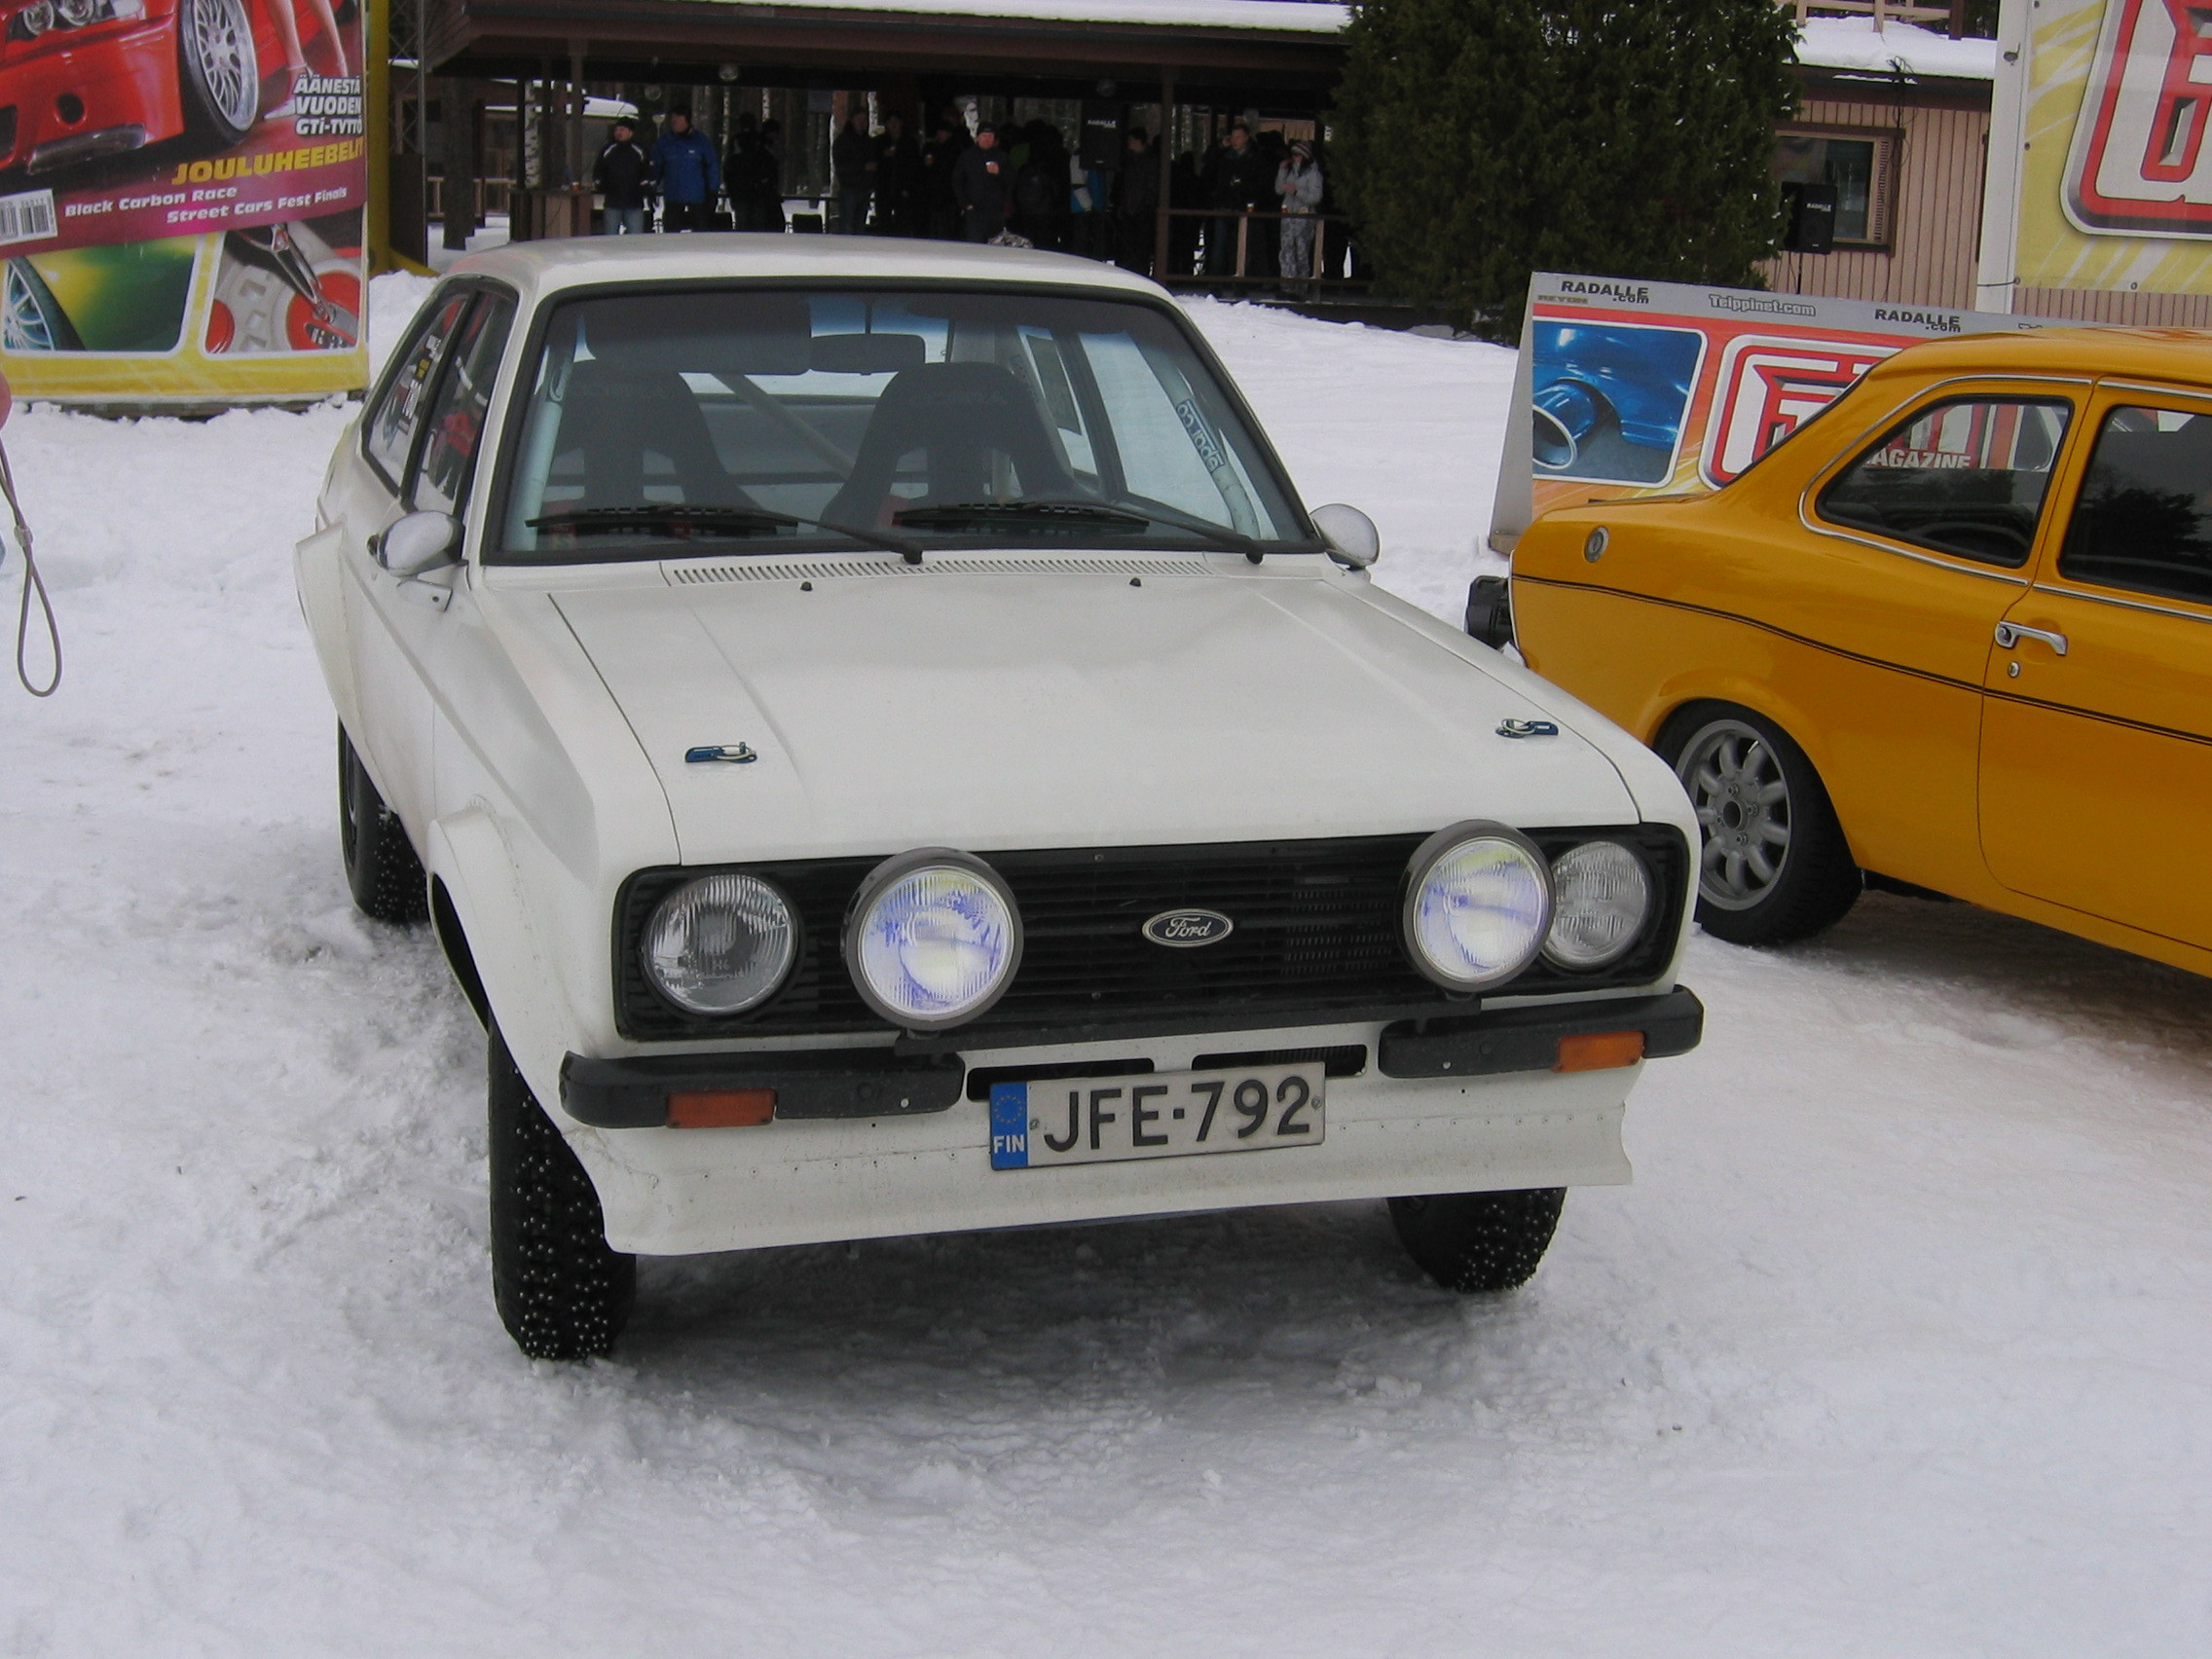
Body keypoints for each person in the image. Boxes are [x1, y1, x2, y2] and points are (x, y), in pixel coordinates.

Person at [1201, 120, 1271, 276]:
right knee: (1219, 245)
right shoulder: (1224, 156)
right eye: (1233, 137)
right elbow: (1208, 166)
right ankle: (1216, 281)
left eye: (1238, 137)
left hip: (1244, 207)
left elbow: (1261, 184)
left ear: (1246, 138)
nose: (1234, 140)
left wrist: (1242, 187)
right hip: (1224, 205)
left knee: (1242, 247)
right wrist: (1220, 148)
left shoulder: (1255, 158)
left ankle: (1239, 281)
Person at [652, 111, 719, 232]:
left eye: (677, 121)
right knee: (671, 233)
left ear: (687, 122)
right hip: (673, 196)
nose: (674, 124)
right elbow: (656, 166)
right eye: (672, 121)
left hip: (697, 197)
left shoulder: (701, 141)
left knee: (700, 233)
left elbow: (712, 166)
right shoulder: (665, 142)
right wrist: (652, 185)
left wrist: (713, 190)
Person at [1013, 120, 1069, 251]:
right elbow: (1062, 184)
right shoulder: (1060, 155)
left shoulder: (1027, 153)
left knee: (1029, 239)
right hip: (1049, 206)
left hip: (1028, 206)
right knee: (1047, 241)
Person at [1275, 138, 1324, 281]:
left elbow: (1315, 196)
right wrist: (1282, 170)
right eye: (1293, 154)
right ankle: (1287, 283)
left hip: (1304, 217)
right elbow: (1279, 189)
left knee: (1301, 252)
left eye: (1298, 154)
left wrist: (1297, 192)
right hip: (1288, 216)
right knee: (1286, 251)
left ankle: (1300, 285)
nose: (1295, 158)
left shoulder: (1313, 174)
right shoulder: (1291, 172)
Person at [1112, 127, 1159, 275]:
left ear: (1139, 141)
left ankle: (1141, 272)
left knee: (1141, 246)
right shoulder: (1130, 160)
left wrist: (1147, 206)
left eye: (1131, 140)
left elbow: (1152, 186)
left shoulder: (1150, 161)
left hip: (1141, 210)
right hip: (1129, 209)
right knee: (1128, 245)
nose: (1128, 143)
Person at [952, 125, 1012, 242]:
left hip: (995, 212)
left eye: (990, 136)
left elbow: (1012, 180)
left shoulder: (1002, 157)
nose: (987, 139)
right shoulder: (967, 157)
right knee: (975, 245)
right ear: (978, 137)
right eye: (984, 136)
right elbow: (957, 181)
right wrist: (965, 204)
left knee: (996, 245)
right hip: (974, 211)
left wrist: (999, 172)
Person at [594, 119, 652, 236]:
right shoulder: (607, 150)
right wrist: (601, 185)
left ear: (631, 132)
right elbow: (598, 171)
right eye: (616, 129)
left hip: (634, 203)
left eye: (622, 129)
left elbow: (648, 172)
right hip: (612, 203)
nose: (618, 132)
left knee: (635, 237)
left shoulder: (640, 150)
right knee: (610, 236)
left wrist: (642, 188)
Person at [873, 112, 923, 236]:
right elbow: (872, 164)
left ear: (901, 124)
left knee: (903, 223)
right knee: (884, 222)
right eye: (891, 122)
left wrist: (909, 187)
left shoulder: (910, 143)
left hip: (903, 189)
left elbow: (915, 167)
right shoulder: (879, 142)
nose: (894, 125)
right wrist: (883, 156)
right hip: (884, 188)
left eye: (896, 122)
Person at [920, 117, 968, 240]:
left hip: (948, 197)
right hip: (933, 195)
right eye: (939, 132)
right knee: (933, 227)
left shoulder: (954, 150)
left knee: (945, 228)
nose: (940, 135)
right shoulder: (932, 148)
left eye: (943, 132)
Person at [832, 111, 875, 234]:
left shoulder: (868, 142)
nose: (862, 123)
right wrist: (863, 167)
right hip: (849, 189)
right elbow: (841, 166)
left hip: (864, 189)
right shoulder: (843, 142)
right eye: (859, 119)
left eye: (864, 120)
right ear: (852, 121)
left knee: (859, 227)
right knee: (848, 226)